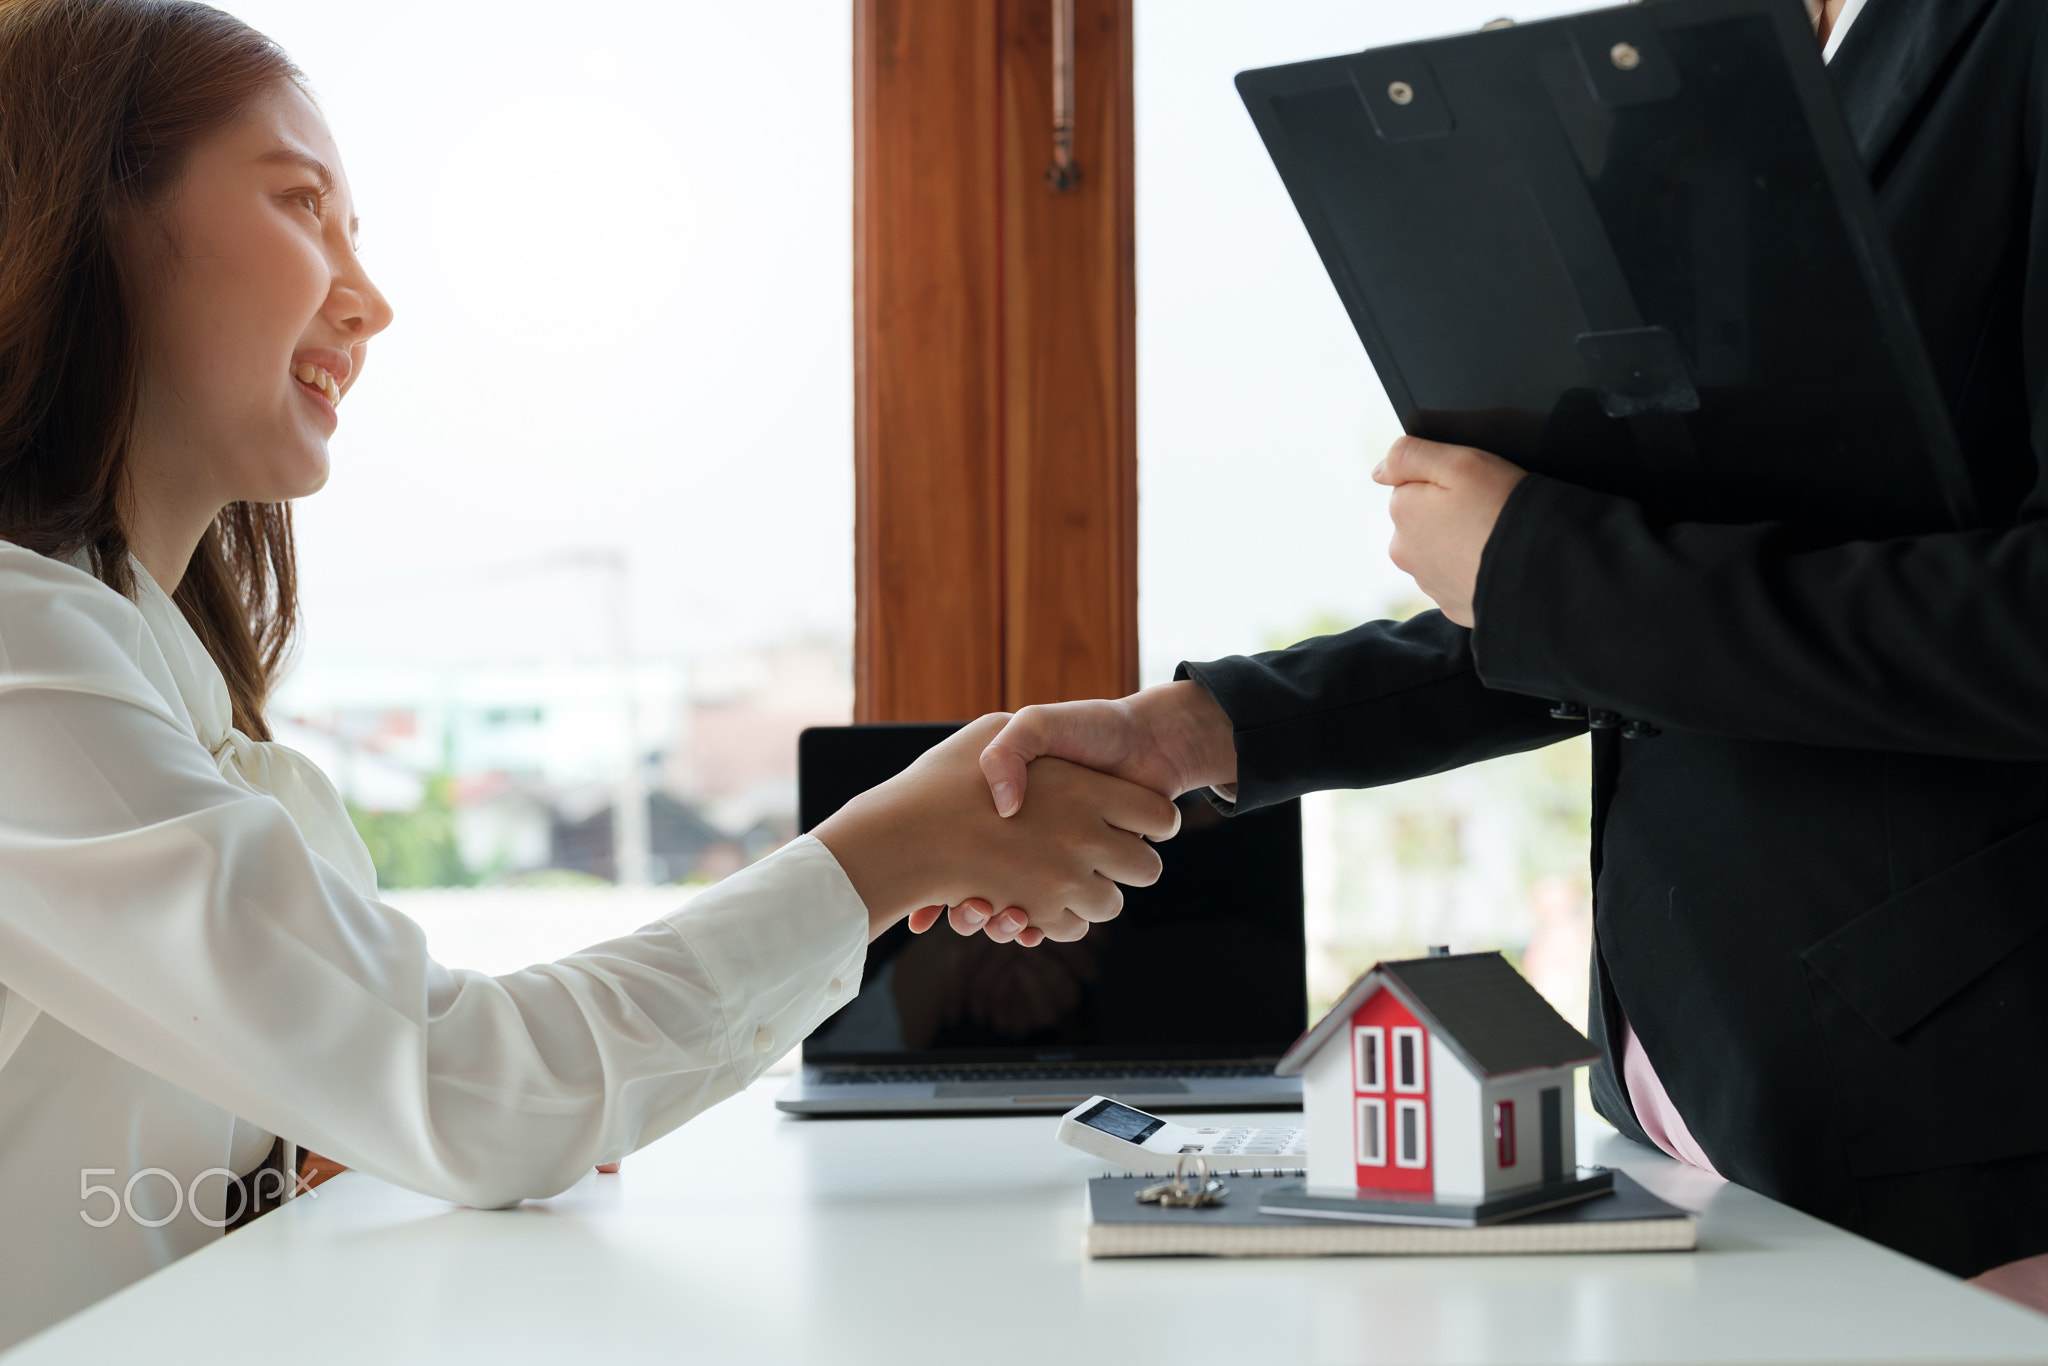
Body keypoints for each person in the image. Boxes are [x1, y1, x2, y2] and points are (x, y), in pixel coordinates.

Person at [0, 0, 1177, 1348]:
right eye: (300, 204)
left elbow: (414, 1092)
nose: (368, 301)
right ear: (87, 216)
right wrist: (884, 857)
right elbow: (470, 1084)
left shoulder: (146, 685)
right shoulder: (20, 660)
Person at [975, 0, 2048, 1297]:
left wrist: (1544, 564)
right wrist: (1209, 729)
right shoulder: (1732, 60)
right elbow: (1659, 581)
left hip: (1957, 1126)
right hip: (1693, 1104)